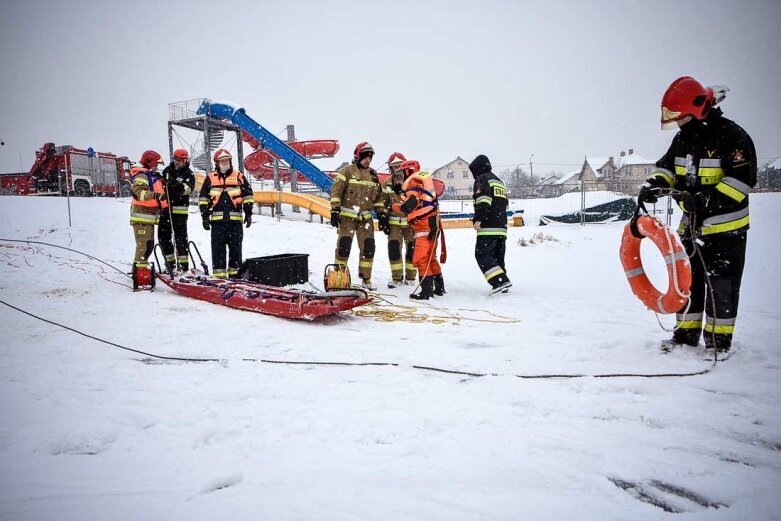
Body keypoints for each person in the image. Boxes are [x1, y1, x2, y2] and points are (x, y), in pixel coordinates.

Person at [637, 76, 756, 353]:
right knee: (687, 284)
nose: (679, 124)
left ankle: (718, 343)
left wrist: (703, 201)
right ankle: (685, 337)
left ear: (699, 109)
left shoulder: (733, 137)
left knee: (721, 288)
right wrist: (654, 185)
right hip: (691, 229)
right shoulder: (684, 139)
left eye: (682, 118)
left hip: (726, 230)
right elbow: (666, 168)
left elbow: (740, 182)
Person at [329, 142, 388, 290]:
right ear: (357, 156)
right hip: (347, 219)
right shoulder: (346, 172)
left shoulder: (373, 175)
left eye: (370, 157)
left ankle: (366, 279)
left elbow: (379, 198)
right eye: (365, 156)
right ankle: (339, 279)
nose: (367, 160)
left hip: (365, 220)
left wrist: (381, 214)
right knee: (344, 247)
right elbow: (336, 191)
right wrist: (335, 210)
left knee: (368, 248)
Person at [392, 159, 445, 300]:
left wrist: (393, 207)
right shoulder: (421, 184)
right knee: (430, 259)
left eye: (403, 171)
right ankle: (439, 287)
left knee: (420, 259)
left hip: (424, 228)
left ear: (408, 170)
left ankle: (426, 291)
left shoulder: (413, 184)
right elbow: (416, 202)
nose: (402, 174)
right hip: (432, 226)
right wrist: (400, 194)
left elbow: (408, 207)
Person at [198, 148, 254, 279]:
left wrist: (249, 213)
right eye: (222, 161)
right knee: (218, 251)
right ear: (217, 163)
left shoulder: (239, 176)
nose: (225, 163)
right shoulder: (210, 179)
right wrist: (205, 217)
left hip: (235, 223)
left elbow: (248, 196)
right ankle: (220, 278)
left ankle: (235, 277)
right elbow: (203, 199)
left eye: (227, 160)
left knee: (236, 251)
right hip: (217, 224)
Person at [469, 154, 511, 295]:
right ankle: (502, 283)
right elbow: (504, 203)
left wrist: (478, 220)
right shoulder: (498, 181)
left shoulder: (482, 179)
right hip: (501, 227)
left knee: (482, 255)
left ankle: (500, 281)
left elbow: (483, 201)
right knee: (497, 257)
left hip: (488, 227)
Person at [129, 150, 167, 286]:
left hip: (148, 218)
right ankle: (140, 273)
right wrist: (156, 196)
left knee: (148, 245)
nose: (157, 167)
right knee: (143, 246)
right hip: (141, 216)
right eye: (156, 164)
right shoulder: (142, 175)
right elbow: (138, 192)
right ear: (149, 162)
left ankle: (141, 268)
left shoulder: (151, 175)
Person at [382, 151, 417, 288]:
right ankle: (396, 278)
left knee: (412, 249)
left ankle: (411, 277)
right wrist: (383, 217)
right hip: (394, 224)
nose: (397, 169)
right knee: (394, 249)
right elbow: (382, 202)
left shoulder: (413, 181)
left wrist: (402, 193)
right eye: (394, 166)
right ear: (390, 168)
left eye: (399, 165)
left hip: (410, 223)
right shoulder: (386, 183)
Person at [158, 148, 195, 272]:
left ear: (185, 160)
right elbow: (161, 187)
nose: (177, 162)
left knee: (180, 238)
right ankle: (170, 263)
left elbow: (188, 189)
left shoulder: (188, 174)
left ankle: (183, 266)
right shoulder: (168, 171)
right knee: (163, 237)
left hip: (180, 211)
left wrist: (175, 185)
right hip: (166, 209)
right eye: (175, 159)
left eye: (180, 160)